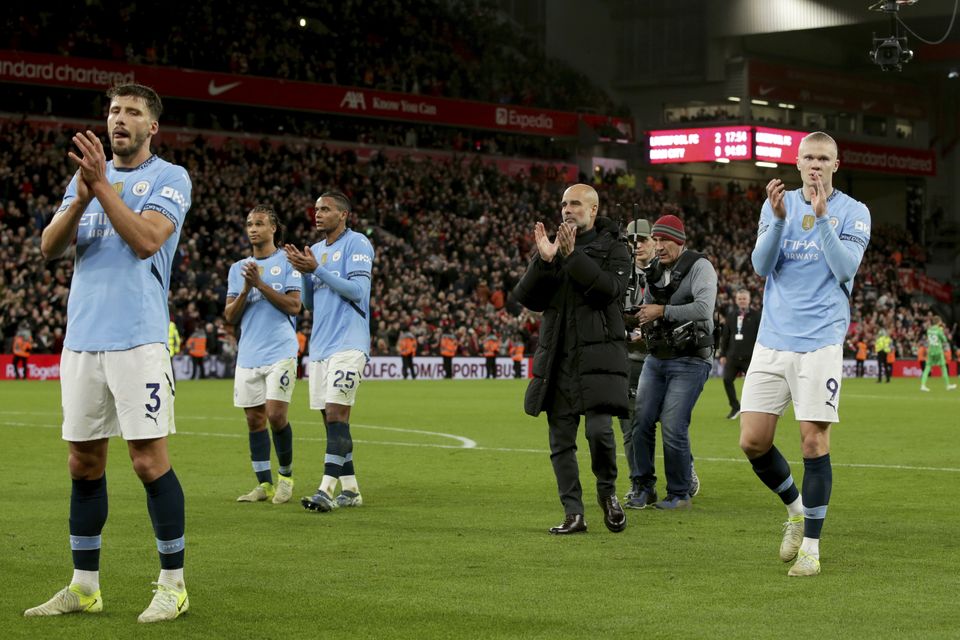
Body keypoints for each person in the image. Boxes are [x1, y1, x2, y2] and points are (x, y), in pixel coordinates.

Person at [27, 83, 191, 622]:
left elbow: (147, 241)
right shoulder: (85, 182)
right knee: (83, 462)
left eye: (133, 113)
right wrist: (82, 193)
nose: (120, 119)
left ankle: (173, 584)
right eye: (114, 111)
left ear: (152, 128)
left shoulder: (169, 178)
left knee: (147, 461)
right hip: (82, 342)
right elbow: (50, 248)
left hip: (139, 340)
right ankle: (84, 586)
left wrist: (103, 188)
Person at [739, 131, 871, 578]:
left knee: (813, 441)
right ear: (797, 163)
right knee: (752, 440)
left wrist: (822, 216)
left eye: (824, 158)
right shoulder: (778, 205)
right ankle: (796, 511)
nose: (815, 164)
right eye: (809, 157)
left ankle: (811, 547)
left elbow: (845, 269)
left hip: (821, 340)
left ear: (837, 163)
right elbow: (760, 267)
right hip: (773, 339)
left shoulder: (854, 212)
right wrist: (778, 220)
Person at [512, 183, 629, 535]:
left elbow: (609, 292)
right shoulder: (554, 251)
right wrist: (545, 261)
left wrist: (571, 255)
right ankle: (573, 513)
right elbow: (528, 298)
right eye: (563, 203)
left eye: (575, 204)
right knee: (560, 442)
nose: (566, 209)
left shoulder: (615, 247)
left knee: (599, 432)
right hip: (558, 358)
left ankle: (607, 494)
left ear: (593, 210)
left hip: (597, 358)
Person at [285, 190, 374, 512]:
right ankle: (350, 489)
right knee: (331, 421)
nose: (318, 214)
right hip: (320, 346)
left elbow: (358, 291)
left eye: (325, 209)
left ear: (343, 215)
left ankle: (325, 489)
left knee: (337, 414)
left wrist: (317, 270)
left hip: (349, 343)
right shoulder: (317, 250)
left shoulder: (358, 243)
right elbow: (308, 303)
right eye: (316, 209)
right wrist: (304, 271)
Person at [627, 214, 716, 511]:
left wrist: (661, 311)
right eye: (657, 240)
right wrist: (642, 321)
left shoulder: (700, 267)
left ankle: (679, 494)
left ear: (679, 241)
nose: (660, 246)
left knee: (674, 424)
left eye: (665, 240)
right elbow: (651, 308)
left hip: (691, 359)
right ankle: (643, 488)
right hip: (658, 356)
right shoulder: (655, 270)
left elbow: (704, 309)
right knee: (640, 420)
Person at [224, 204, 302, 505]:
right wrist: (246, 288)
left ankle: (285, 478)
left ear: (273, 228)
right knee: (254, 421)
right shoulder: (238, 269)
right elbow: (230, 316)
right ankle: (264, 485)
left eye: (259, 223)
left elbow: (295, 306)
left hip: (280, 351)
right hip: (248, 355)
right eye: (249, 224)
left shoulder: (288, 262)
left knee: (276, 414)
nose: (253, 228)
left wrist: (260, 284)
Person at [619, 218, 655, 501]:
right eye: (632, 241)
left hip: (662, 360)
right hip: (628, 361)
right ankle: (639, 483)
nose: (637, 246)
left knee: (672, 424)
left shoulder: (668, 273)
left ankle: (684, 469)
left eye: (642, 240)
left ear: (654, 242)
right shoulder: (618, 277)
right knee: (630, 427)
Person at [718, 289, 760, 420]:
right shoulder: (731, 316)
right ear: (736, 300)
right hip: (733, 356)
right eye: (740, 299)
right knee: (727, 380)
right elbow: (725, 336)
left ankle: (755, 409)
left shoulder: (757, 316)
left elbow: (761, 337)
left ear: (749, 300)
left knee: (755, 385)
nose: (742, 301)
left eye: (744, 298)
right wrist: (723, 354)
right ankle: (735, 407)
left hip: (750, 357)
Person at [920, 315, 956, 392]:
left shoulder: (929, 330)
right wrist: (943, 332)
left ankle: (923, 385)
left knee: (927, 368)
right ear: (938, 322)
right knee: (943, 367)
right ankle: (947, 385)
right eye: (940, 321)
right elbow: (944, 340)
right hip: (938, 351)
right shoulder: (939, 330)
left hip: (931, 351)